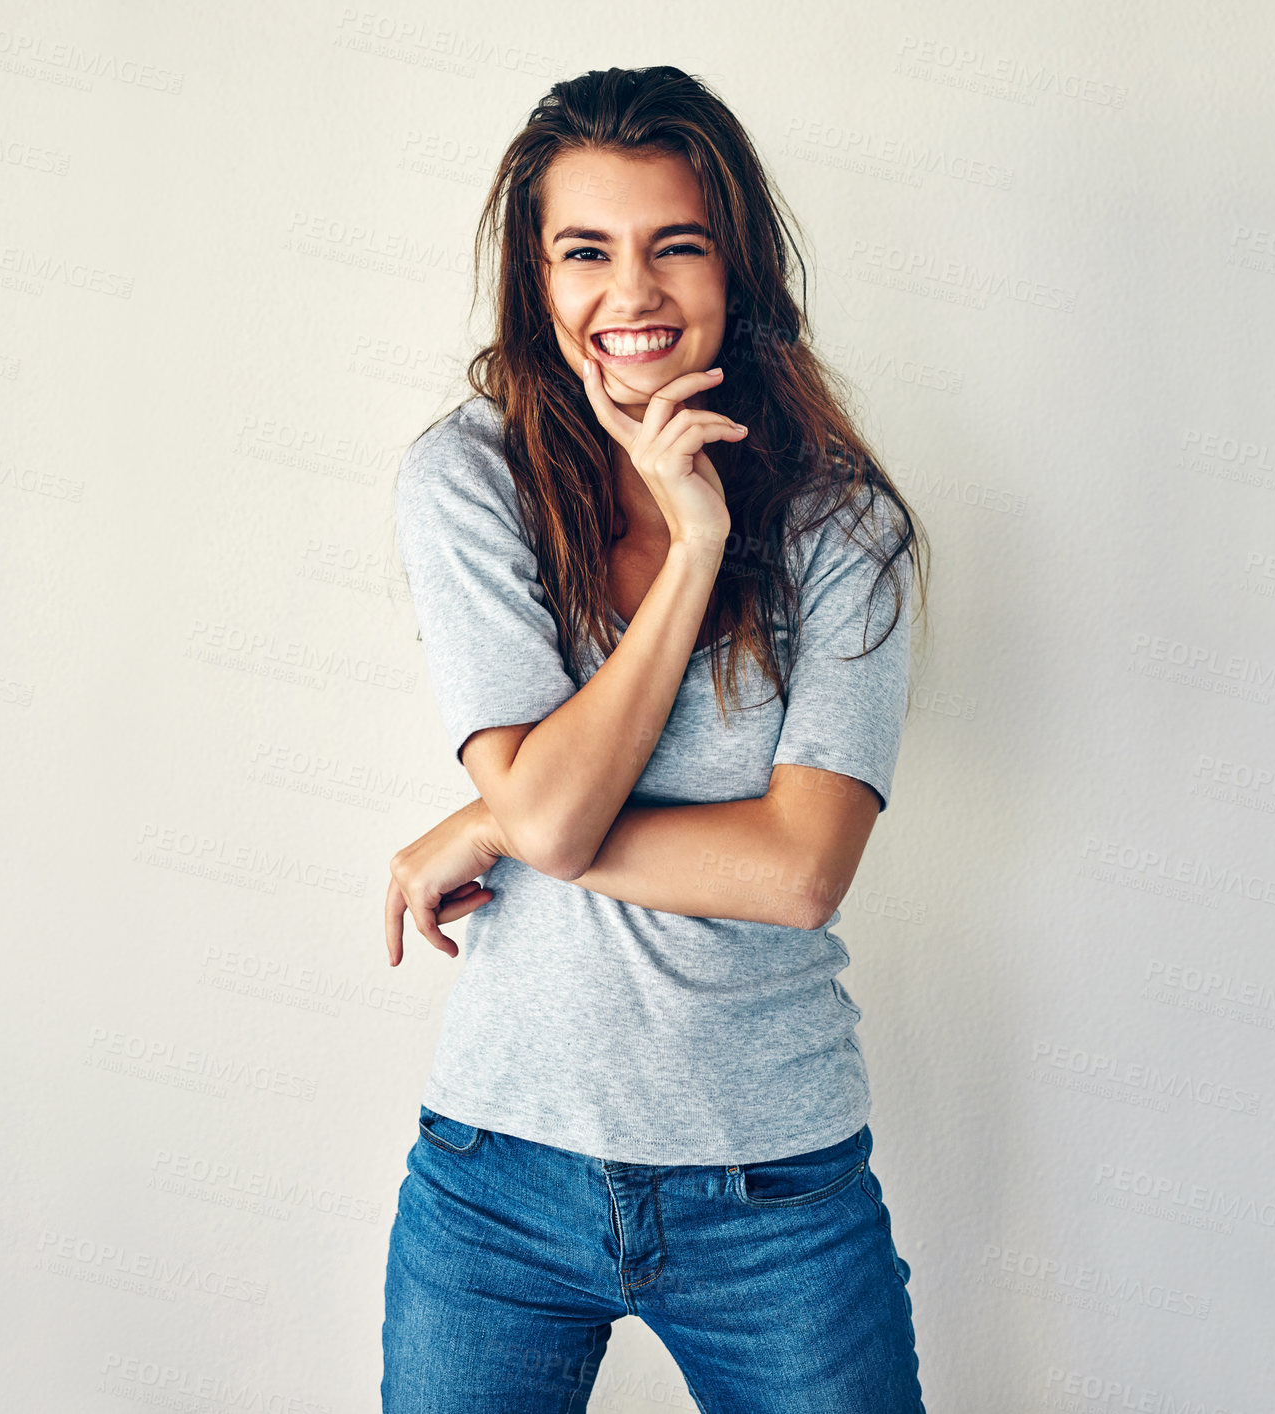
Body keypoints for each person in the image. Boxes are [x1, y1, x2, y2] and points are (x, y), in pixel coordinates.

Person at [381, 65, 930, 1414]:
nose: (630, 293)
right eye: (586, 251)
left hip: (774, 1190)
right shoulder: (470, 480)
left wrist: (494, 817)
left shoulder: (840, 527)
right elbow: (558, 816)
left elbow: (800, 870)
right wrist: (691, 551)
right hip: (495, 1174)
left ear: (733, 266)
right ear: (537, 277)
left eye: (673, 244)